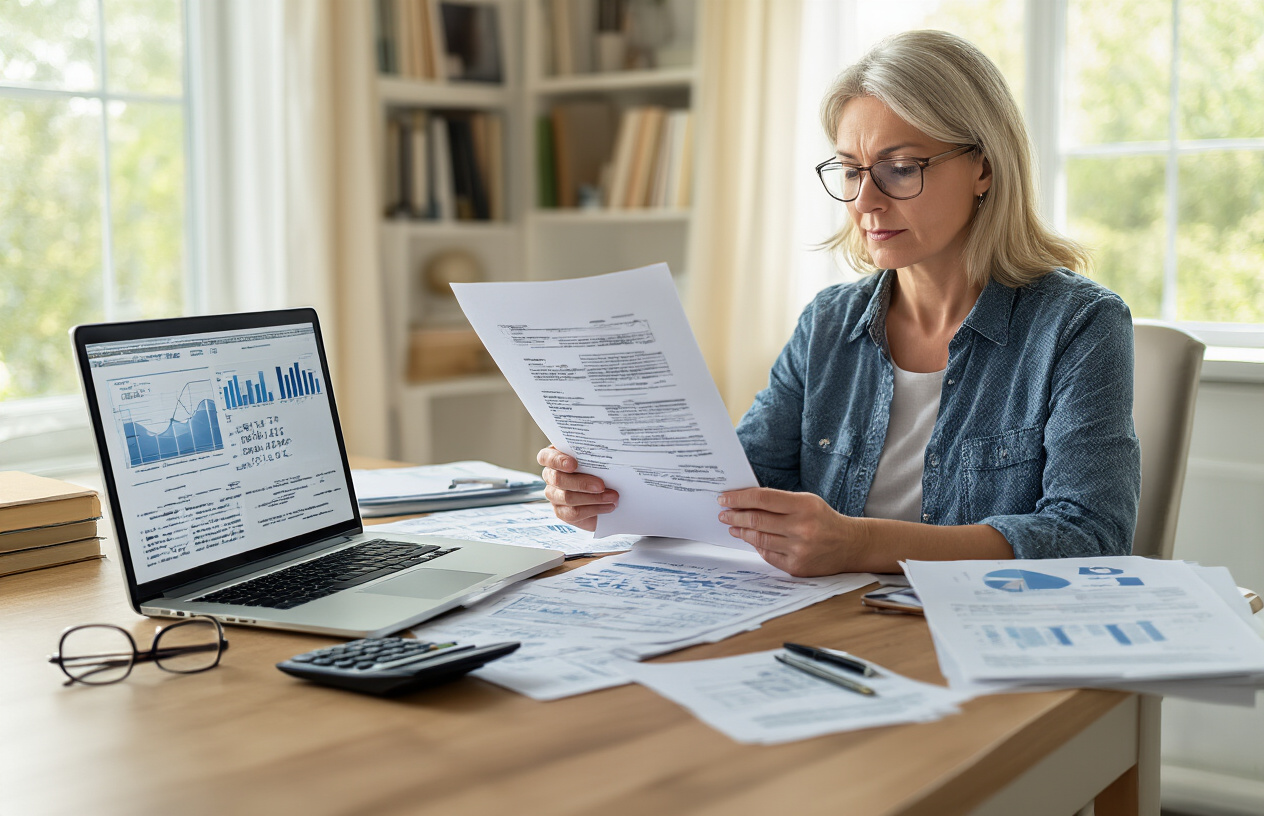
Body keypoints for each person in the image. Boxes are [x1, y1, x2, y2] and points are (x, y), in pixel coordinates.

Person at [537, 30, 1141, 577]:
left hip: (985, 638)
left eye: (901, 169)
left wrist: (859, 544)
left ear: (984, 167)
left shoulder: (1079, 323)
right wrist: (615, 498)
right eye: (851, 171)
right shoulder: (829, 323)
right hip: (835, 629)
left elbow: (1089, 535)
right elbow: (740, 490)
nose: (865, 201)